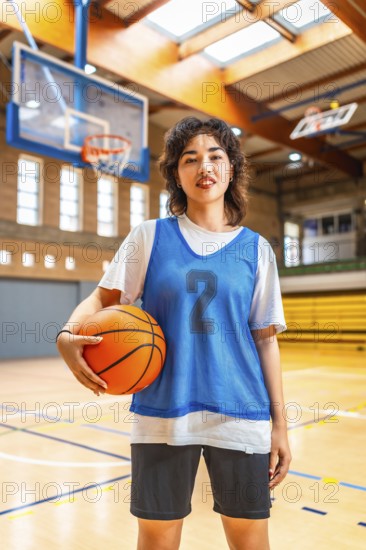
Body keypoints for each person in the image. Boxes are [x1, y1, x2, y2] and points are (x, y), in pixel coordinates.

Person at [57, 116, 291, 550]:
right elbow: (101, 301)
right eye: (191, 158)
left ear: (232, 168)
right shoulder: (149, 236)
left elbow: (265, 339)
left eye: (216, 156)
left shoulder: (257, 249)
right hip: (162, 414)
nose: (204, 166)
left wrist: (281, 425)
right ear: (176, 175)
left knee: (250, 541)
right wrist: (66, 334)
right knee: (158, 540)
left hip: (242, 412)